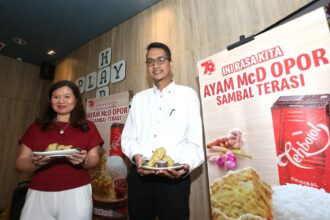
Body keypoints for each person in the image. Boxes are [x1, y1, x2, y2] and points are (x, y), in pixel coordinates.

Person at [121, 42, 204, 220]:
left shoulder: (187, 95)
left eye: (160, 60)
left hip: (174, 181)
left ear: (170, 63)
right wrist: (136, 156)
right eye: (150, 62)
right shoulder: (138, 99)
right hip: (140, 178)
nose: (155, 65)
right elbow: (128, 137)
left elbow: (194, 140)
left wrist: (186, 166)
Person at [15, 80, 104, 220]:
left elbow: (94, 159)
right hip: (39, 191)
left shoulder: (88, 127)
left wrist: (84, 160)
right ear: (50, 101)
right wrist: (36, 163)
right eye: (56, 97)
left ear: (76, 100)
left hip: (77, 192)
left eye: (67, 96)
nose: (61, 101)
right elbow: (20, 163)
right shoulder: (36, 127)